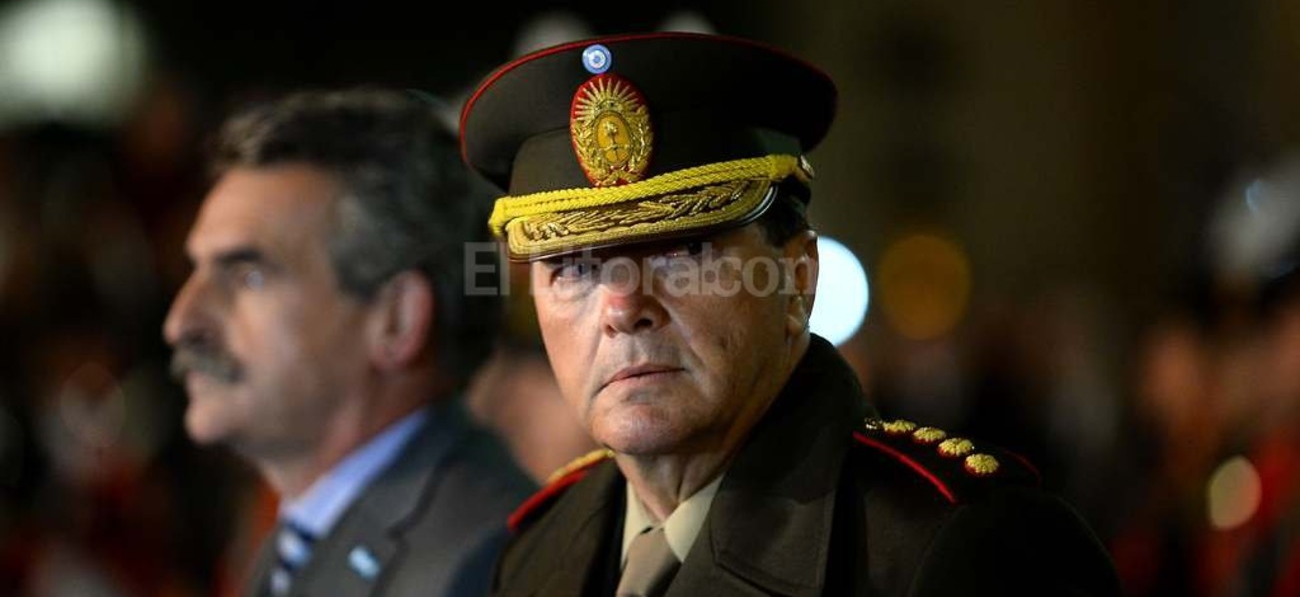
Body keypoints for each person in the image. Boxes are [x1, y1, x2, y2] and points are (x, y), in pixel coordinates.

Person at [458, 32, 1121, 595]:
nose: (623, 307)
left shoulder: (965, 549)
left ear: (798, 277)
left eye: (682, 251)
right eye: (573, 267)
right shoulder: (537, 552)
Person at [164, 89, 533, 597]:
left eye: (247, 275)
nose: (181, 323)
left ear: (397, 320)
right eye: (195, 272)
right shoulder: (296, 535)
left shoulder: (489, 565)